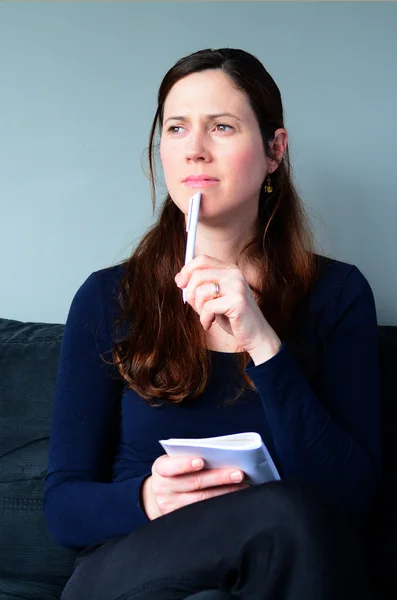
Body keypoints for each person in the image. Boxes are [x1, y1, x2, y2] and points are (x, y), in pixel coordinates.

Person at [43, 48, 380, 600]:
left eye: (221, 126)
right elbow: (63, 509)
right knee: (289, 513)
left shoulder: (338, 295)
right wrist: (150, 498)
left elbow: (352, 500)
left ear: (275, 150)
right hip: (132, 570)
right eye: (176, 128)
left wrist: (263, 341)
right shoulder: (109, 297)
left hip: (279, 569)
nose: (195, 149)